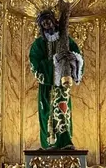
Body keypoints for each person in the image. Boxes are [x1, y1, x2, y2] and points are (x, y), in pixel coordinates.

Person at [29, 9, 83, 150]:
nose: (47, 25)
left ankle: (65, 141)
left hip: (62, 85)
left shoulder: (66, 40)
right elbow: (35, 64)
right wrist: (55, 63)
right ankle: (49, 143)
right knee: (47, 113)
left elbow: (77, 56)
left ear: (54, 21)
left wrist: (73, 58)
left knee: (63, 111)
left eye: (48, 21)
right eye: (44, 23)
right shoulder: (38, 44)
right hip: (47, 86)